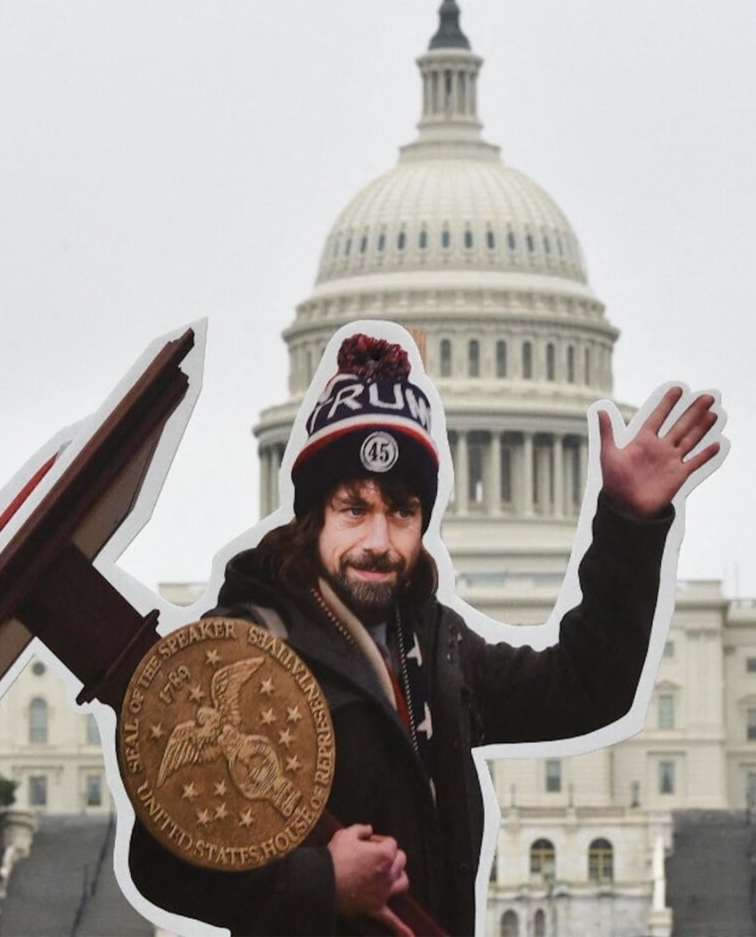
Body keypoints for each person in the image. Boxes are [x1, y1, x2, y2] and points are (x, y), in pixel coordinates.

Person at [128, 331, 723, 935]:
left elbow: (586, 690)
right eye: (354, 509)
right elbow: (159, 864)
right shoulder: (245, 646)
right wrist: (322, 883)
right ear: (313, 518)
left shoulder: (435, 642)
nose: (379, 541)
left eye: (402, 511)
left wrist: (629, 521)